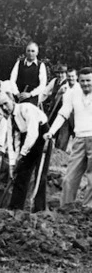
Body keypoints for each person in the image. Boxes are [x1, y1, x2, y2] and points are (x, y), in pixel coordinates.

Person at [45, 67, 92, 206]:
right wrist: (51, 131)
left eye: (89, 81)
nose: (86, 84)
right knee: (69, 179)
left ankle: (88, 211)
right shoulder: (72, 93)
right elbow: (63, 113)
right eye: (82, 81)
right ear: (78, 80)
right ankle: (65, 211)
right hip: (78, 140)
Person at [0, 92, 49, 212]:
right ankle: (15, 207)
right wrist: (12, 163)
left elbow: (33, 133)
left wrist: (23, 153)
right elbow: (12, 142)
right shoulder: (10, 119)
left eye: (6, 103)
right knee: (21, 173)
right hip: (27, 140)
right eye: (1, 105)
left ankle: (39, 209)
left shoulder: (26, 108)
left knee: (40, 174)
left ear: (12, 101)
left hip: (42, 136)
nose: (4, 107)